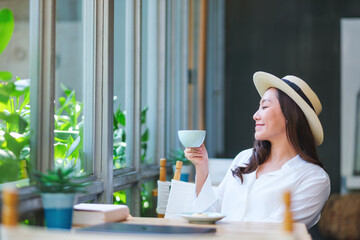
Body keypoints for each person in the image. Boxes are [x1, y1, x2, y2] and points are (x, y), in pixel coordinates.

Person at [184, 71, 330, 229]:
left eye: (265, 107)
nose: (255, 115)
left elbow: (275, 231)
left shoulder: (314, 178)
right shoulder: (244, 158)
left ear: (290, 116)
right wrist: (202, 166)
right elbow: (210, 213)